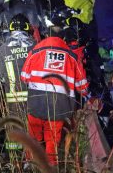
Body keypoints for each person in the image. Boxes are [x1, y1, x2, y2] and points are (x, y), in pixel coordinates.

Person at [20, 28, 88, 165]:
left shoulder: (35, 50)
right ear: (63, 39)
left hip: (36, 103)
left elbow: (24, 77)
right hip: (59, 107)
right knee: (52, 141)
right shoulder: (73, 56)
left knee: (33, 138)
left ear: (46, 36)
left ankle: (30, 169)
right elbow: (83, 88)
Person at [0, 14, 36, 117]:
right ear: (27, 27)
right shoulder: (35, 47)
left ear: (11, 28)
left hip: (13, 99)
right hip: (35, 97)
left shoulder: (2, 50)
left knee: (17, 130)